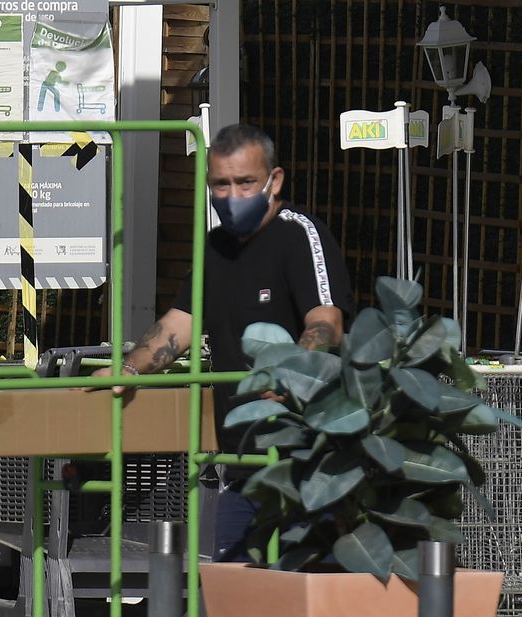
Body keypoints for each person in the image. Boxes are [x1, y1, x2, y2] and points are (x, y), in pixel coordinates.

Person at [90, 122, 353, 563]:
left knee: (309, 610)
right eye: (221, 185)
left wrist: (293, 371)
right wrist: (129, 369)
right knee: (233, 607)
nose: (232, 196)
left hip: (312, 468)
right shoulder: (214, 249)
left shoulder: (298, 235)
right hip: (243, 467)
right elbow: (179, 324)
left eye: (245, 182)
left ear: (275, 180)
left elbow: (326, 321)